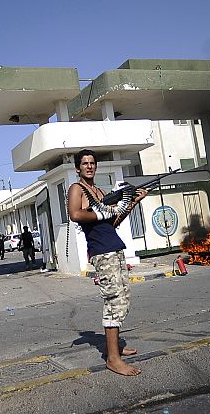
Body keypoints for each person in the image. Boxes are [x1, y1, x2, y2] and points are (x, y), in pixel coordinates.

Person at [68, 148, 147, 376]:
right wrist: (102, 214)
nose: (90, 166)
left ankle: (116, 349)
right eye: (85, 163)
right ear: (78, 168)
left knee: (122, 299)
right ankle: (113, 359)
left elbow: (113, 222)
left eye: (92, 163)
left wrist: (133, 202)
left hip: (114, 246)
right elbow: (75, 214)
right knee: (114, 301)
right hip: (102, 252)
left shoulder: (100, 192)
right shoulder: (77, 189)